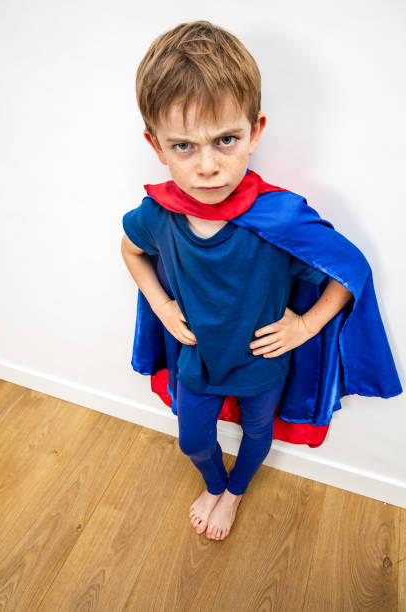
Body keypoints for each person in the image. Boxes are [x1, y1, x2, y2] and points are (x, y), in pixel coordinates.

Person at [121, 21, 402, 541]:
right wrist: (160, 304)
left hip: (263, 365)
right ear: (155, 145)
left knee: (256, 433)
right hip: (197, 361)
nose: (207, 166)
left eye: (225, 140)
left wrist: (306, 327)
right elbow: (132, 250)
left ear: (255, 131)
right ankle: (213, 482)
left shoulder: (281, 217)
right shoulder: (159, 214)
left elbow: (350, 270)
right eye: (184, 146)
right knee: (192, 439)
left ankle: (235, 492)